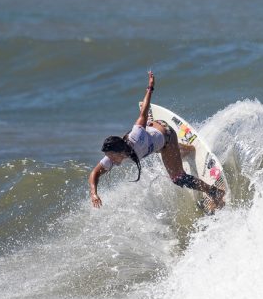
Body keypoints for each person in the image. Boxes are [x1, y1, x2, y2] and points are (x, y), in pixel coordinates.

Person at [89, 71, 225, 209]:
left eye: (111, 156)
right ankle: (185, 149)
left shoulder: (136, 136)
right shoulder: (113, 157)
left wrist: (150, 88)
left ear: (120, 151)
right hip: (153, 138)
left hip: (166, 136)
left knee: (178, 178)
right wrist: (94, 194)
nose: (110, 160)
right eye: (108, 156)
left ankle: (215, 192)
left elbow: (144, 112)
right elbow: (94, 173)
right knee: (157, 149)